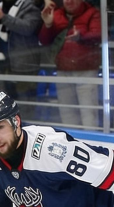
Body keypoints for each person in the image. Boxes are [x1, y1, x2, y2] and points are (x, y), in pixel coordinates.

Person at [39, 0, 101, 129]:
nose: (69, 1)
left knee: (89, 114)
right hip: (63, 71)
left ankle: (91, 146)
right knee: (67, 114)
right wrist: (48, 24)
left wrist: (81, 37)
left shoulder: (92, 13)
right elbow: (44, 41)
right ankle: (71, 144)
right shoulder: (56, 14)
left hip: (86, 71)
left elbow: (99, 35)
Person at [0, 0, 41, 101]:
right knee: (0, 106)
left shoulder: (29, 6)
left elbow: (28, 28)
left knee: (24, 106)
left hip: (21, 67)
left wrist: (3, 17)